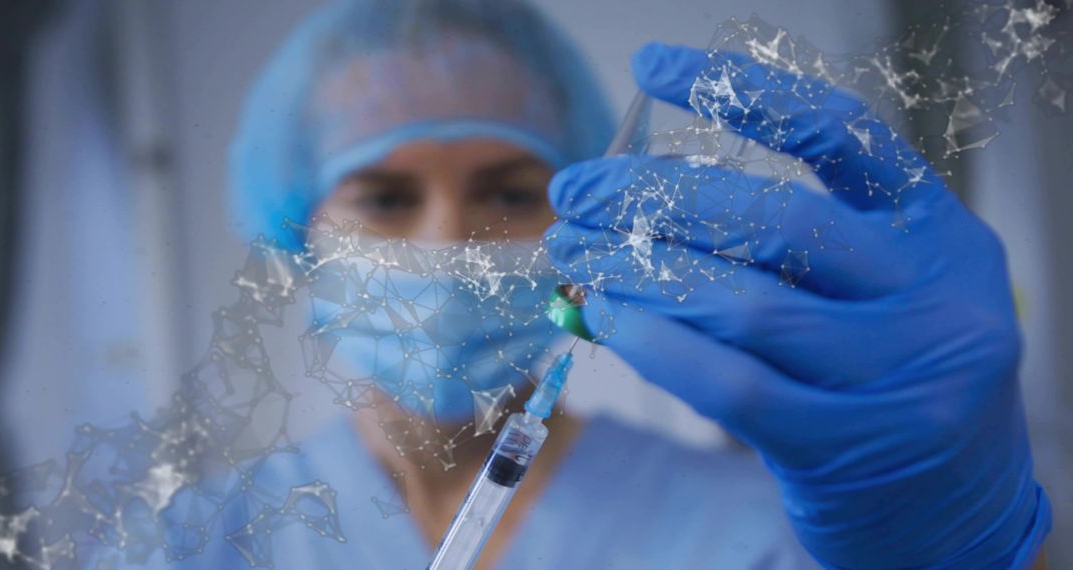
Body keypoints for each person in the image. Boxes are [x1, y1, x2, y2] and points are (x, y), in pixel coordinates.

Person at [144, 0, 1051, 567]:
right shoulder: (191, 545)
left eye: (510, 192)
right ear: (295, 229)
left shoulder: (760, 532)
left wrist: (963, 556)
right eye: (384, 197)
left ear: (581, 220)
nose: (453, 240)